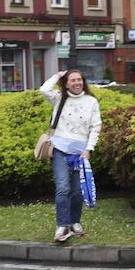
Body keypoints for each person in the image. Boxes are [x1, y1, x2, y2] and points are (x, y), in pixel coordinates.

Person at [39, 69, 102, 243]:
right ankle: (62, 225)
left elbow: (95, 127)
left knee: (76, 191)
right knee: (62, 188)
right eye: (72, 80)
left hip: (80, 153)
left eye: (79, 79)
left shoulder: (91, 101)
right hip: (59, 149)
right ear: (66, 83)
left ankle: (74, 222)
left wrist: (89, 149)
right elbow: (44, 90)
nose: (77, 83)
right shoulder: (59, 98)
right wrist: (57, 75)